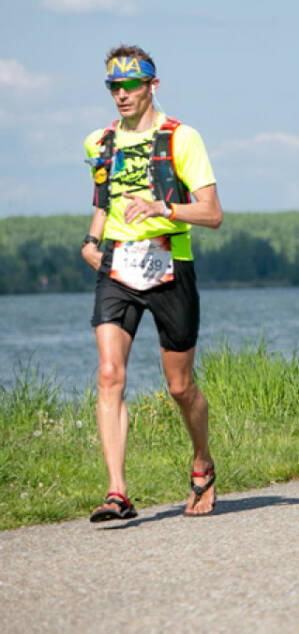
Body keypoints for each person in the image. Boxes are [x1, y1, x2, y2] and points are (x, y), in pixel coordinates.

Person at [80, 45, 223, 521]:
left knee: (180, 387)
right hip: (118, 266)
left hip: (169, 265)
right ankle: (117, 492)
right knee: (108, 374)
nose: (120, 95)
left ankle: (202, 463)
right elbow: (104, 196)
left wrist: (165, 208)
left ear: (152, 86)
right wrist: (91, 239)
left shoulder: (182, 138)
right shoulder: (100, 141)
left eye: (130, 86)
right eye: (112, 87)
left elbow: (213, 214)